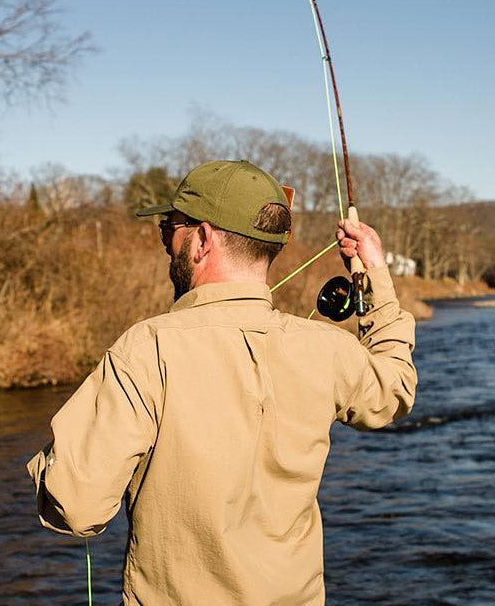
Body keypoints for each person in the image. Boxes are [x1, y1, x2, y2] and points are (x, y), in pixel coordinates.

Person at [26, 160, 417, 605]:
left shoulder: (147, 349)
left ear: (203, 238)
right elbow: (395, 389)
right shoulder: (325, 348)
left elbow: (76, 507)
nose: (165, 242)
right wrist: (373, 273)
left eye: (169, 228)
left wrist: (54, 461)